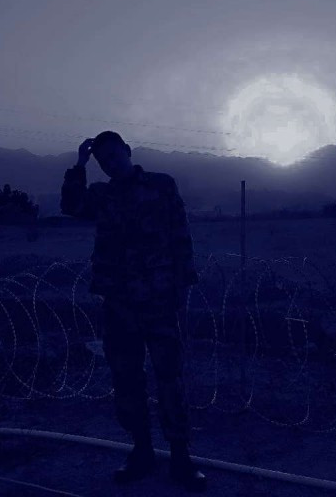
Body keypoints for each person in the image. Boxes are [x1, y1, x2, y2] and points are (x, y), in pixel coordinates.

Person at [60, 131, 206, 492]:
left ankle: (180, 456)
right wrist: (79, 165)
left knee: (170, 379)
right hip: (119, 305)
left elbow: (181, 237)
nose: (111, 164)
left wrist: (182, 291)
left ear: (127, 151)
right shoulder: (101, 195)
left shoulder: (161, 185)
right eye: (103, 161)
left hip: (160, 301)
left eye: (114, 155)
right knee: (126, 380)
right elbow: (71, 206)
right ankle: (141, 451)